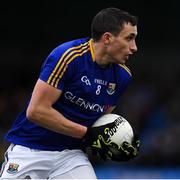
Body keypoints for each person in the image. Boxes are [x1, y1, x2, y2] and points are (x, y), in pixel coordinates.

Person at [0, 7, 140, 179]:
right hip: (31, 148)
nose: (134, 47)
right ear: (107, 38)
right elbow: (36, 111)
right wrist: (87, 134)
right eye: (129, 38)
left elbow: (99, 122)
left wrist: (117, 141)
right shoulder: (68, 56)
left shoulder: (123, 76)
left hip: (71, 156)